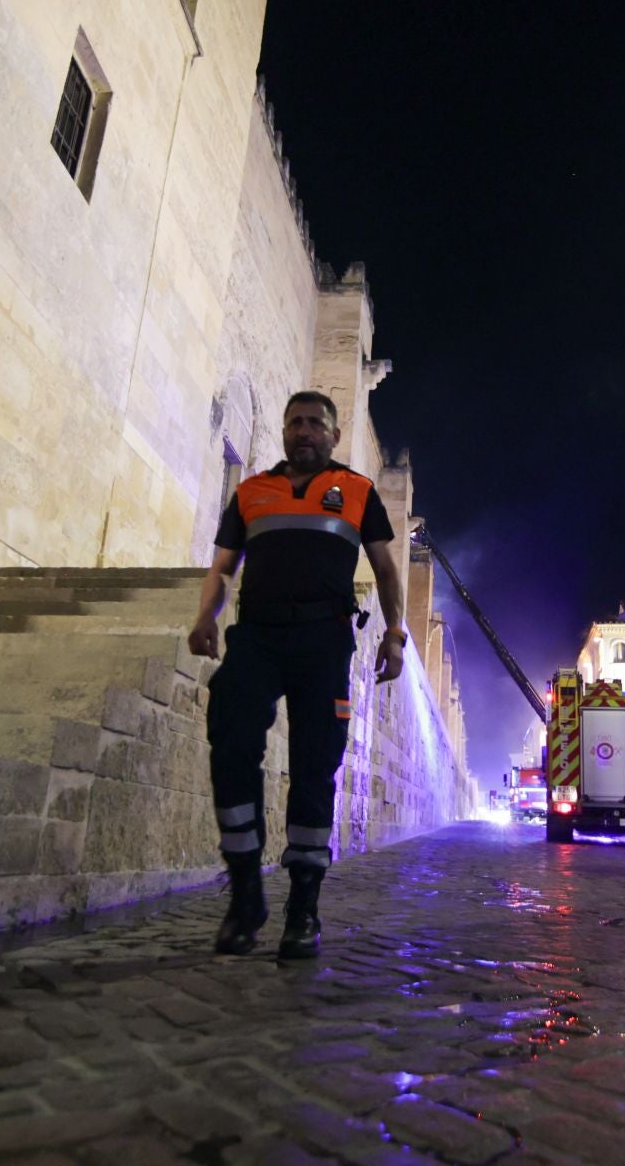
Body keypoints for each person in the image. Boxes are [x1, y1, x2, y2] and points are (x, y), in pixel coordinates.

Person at [188, 390, 406, 959]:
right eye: (295, 423)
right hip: (256, 637)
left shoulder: (358, 491)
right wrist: (206, 617)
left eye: (315, 424)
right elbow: (222, 567)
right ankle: (245, 896)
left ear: (334, 435)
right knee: (231, 748)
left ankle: (303, 908)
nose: (304, 431)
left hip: (323, 640)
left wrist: (395, 634)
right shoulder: (251, 492)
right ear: (284, 433)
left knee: (314, 769)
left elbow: (385, 569)